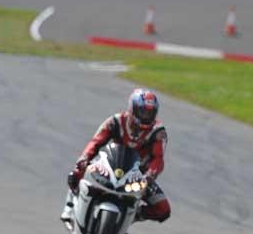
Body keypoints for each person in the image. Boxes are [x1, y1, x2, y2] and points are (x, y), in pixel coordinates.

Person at [60, 89, 170, 224]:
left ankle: (133, 215)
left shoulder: (158, 132)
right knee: (76, 173)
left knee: (163, 209)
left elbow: (158, 158)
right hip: (108, 166)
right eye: (143, 112)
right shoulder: (115, 121)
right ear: (132, 109)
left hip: (138, 176)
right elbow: (96, 141)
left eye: (150, 113)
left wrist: (150, 176)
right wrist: (84, 158)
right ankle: (70, 206)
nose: (146, 116)